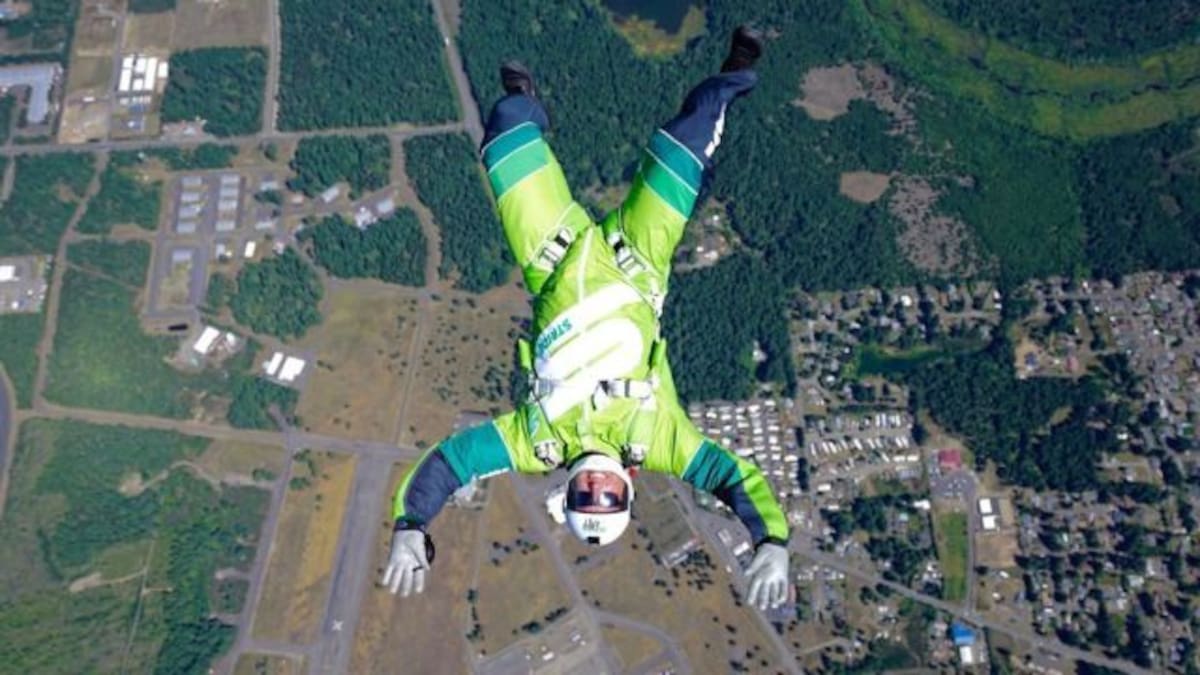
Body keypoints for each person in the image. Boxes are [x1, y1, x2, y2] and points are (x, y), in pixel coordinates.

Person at [382, 26, 789, 611]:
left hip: (555, 257)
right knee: (687, 138)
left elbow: (451, 463)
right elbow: (735, 480)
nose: (596, 485)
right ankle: (738, 69)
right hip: (638, 257)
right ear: (626, 492)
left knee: (504, 134)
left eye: (585, 496)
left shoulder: (535, 443)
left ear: (567, 491)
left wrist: (411, 524)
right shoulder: (662, 443)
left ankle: (526, 98)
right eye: (608, 497)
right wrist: (769, 537)